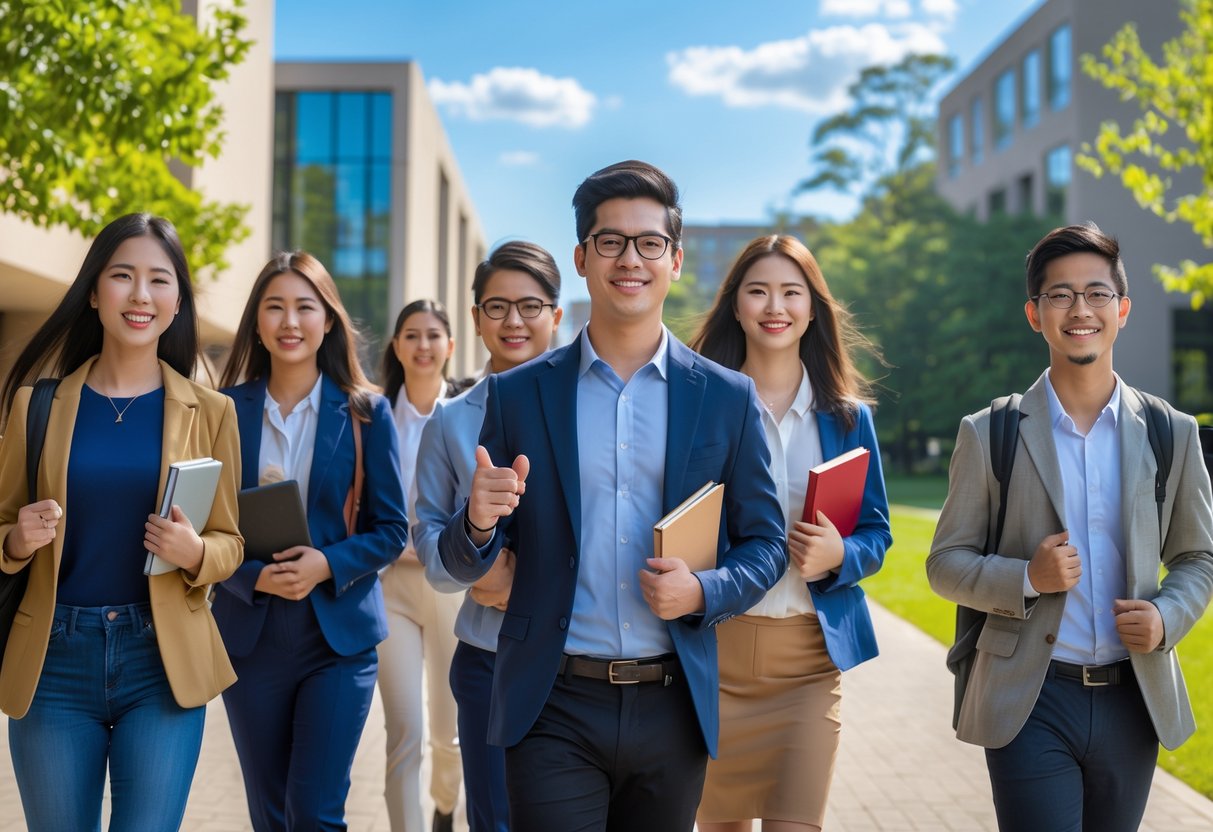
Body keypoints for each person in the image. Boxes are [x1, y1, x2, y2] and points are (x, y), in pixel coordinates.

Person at [438, 160, 787, 831]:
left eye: (648, 242)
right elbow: (464, 558)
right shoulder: (519, 395)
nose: (630, 259)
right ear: (580, 256)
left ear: (675, 259)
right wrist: (477, 524)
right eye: (610, 241)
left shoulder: (725, 399)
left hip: (672, 702)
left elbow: (766, 545)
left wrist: (705, 592)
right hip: (551, 704)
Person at [926, 223, 1213, 832]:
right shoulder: (989, 432)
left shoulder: (1172, 432)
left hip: (1132, 696)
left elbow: (1198, 556)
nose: (1080, 310)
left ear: (1123, 309)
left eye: (1097, 294)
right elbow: (944, 563)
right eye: (1060, 295)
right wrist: (1025, 576)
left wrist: (1167, 616)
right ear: (1035, 314)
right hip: (1029, 697)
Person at [0, 213, 243, 831]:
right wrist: (15, 540)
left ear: (177, 300)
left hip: (160, 663)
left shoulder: (212, 411)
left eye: (159, 280)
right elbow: (1, 525)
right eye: (122, 276)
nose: (141, 295)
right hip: (53, 660)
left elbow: (231, 542)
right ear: (93, 291)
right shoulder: (38, 404)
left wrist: (194, 553)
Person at [690, 234, 892, 832]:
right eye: (758, 291)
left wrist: (840, 554)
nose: (774, 306)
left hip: (807, 667)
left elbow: (876, 533)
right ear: (735, 305)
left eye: (790, 292)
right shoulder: (700, 408)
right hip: (713, 660)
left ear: (812, 308)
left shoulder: (849, 419)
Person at [213, 251, 409, 831]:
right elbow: (201, 527)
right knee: (269, 814)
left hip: (338, 641)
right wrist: (248, 576)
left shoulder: (367, 412)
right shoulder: (223, 411)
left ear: (328, 320)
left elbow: (392, 529)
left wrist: (326, 563)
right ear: (256, 322)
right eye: (275, 307)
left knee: (315, 814)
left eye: (306, 307)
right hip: (251, 636)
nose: (290, 322)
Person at [414, 241, 564, 832]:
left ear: (556, 314)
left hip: (578, 658)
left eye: (530, 306)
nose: (513, 321)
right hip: (489, 658)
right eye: (496, 307)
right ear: (474, 318)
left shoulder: (600, 406)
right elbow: (430, 549)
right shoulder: (451, 421)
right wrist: (479, 557)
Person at [376, 298, 463, 832]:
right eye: (412, 335)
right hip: (390, 587)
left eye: (433, 335)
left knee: (448, 730)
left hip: (451, 586)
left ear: (450, 346)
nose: (423, 346)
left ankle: (446, 809)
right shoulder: (372, 413)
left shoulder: (470, 410)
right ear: (396, 347)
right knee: (403, 727)